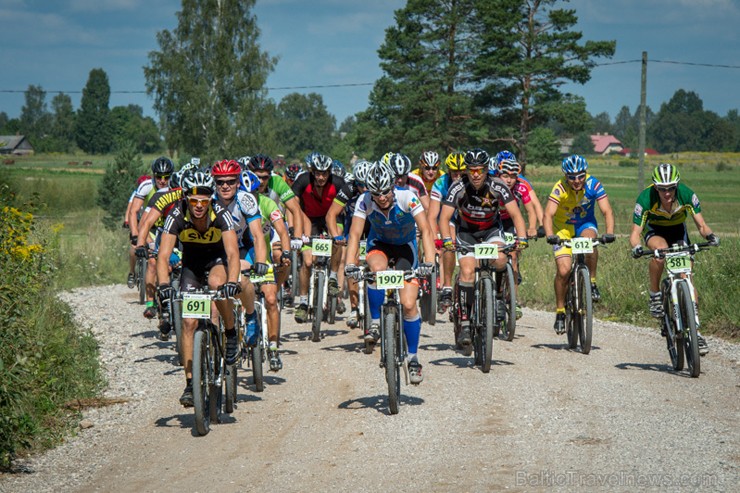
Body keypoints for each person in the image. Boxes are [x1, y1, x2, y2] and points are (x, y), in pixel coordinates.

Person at [155, 171, 244, 407]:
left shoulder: (221, 214)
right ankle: (190, 383)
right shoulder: (176, 215)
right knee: (188, 322)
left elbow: (233, 253)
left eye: (204, 201)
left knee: (218, 285)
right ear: (186, 198)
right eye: (193, 201)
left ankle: (231, 332)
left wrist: (232, 282)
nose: (198, 206)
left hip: (216, 260)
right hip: (191, 265)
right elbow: (163, 256)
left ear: (210, 199)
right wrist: (164, 285)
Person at [344, 162, 436, 384]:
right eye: (376, 193)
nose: (382, 197)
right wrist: (349, 265)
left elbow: (425, 230)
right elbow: (355, 235)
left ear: (393, 186)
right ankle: (375, 321)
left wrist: (429, 262)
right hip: (380, 245)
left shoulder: (407, 197)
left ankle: (413, 358)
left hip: (406, 248)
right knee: (376, 270)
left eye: (385, 192)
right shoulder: (364, 201)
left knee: (408, 304)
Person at [438, 148, 528, 349]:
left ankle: (496, 298)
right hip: (466, 232)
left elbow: (515, 215)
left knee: (501, 259)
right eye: (471, 170)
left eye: (479, 170)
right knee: (468, 273)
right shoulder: (457, 186)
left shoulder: (498, 186)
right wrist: (446, 239)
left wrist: (521, 238)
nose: (476, 175)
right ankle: (465, 322)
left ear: (487, 170)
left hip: (490, 231)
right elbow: (444, 217)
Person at [629, 163, 718, 355]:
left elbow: (702, 225)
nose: (667, 193)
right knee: (660, 252)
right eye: (662, 189)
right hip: (655, 231)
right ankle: (654, 295)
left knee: (687, 277)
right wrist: (636, 247)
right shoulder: (645, 198)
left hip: (678, 230)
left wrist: (710, 236)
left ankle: (696, 332)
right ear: (656, 187)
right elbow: (635, 233)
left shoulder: (686, 193)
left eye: (670, 188)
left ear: (676, 185)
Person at [544, 154, 615, 335]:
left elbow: (606, 210)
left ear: (586, 173)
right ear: (566, 176)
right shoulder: (559, 188)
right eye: (572, 177)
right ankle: (560, 312)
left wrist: (609, 232)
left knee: (590, 242)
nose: (577, 181)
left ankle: (591, 281)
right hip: (563, 229)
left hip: (585, 224)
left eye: (581, 176)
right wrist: (551, 235)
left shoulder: (594, 184)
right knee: (563, 271)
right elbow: (548, 215)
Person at [291, 153, 352, 323]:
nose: (321, 177)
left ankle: (332, 277)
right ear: (312, 171)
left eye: (324, 173)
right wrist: (294, 231)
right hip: (309, 219)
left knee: (337, 240)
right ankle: (303, 303)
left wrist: (340, 235)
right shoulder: (303, 180)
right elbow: (292, 206)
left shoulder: (338, 183)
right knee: (308, 262)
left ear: (329, 172)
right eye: (317, 173)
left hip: (332, 217)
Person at [495, 155, 541, 319]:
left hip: (509, 222)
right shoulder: (491, 185)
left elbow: (530, 210)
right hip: (492, 222)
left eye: (513, 177)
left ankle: (513, 299)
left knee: (513, 256)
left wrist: (532, 227)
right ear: (498, 175)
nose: (509, 180)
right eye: (505, 176)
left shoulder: (521, 187)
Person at [129, 157, 174, 319]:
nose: (163, 181)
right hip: (150, 228)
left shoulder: (175, 188)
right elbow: (134, 212)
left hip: (169, 229)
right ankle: (150, 302)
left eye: (166, 177)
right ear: (153, 176)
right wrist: (136, 236)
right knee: (154, 262)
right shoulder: (146, 186)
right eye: (159, 177)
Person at [428, 152, 466, 311]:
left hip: (466, 218)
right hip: (448, 217)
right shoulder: (440, 183)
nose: (457, 175)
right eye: (454, 172)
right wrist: (434, 237)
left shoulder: (471, 182)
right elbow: (432, 216)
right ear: (448, 170)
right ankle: (447, 287)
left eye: (461, 172)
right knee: (448, 241)